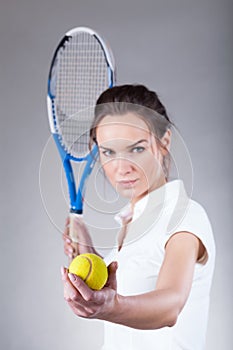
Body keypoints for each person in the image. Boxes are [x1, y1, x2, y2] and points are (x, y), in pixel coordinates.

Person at [61, 84, 215, 350]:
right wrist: (90, 250)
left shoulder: (184, 215)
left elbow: (171, 304)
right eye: (109, 152)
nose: (122, 167)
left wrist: (110, 307)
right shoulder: (133, 222)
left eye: (136, 149)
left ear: (163, 142)